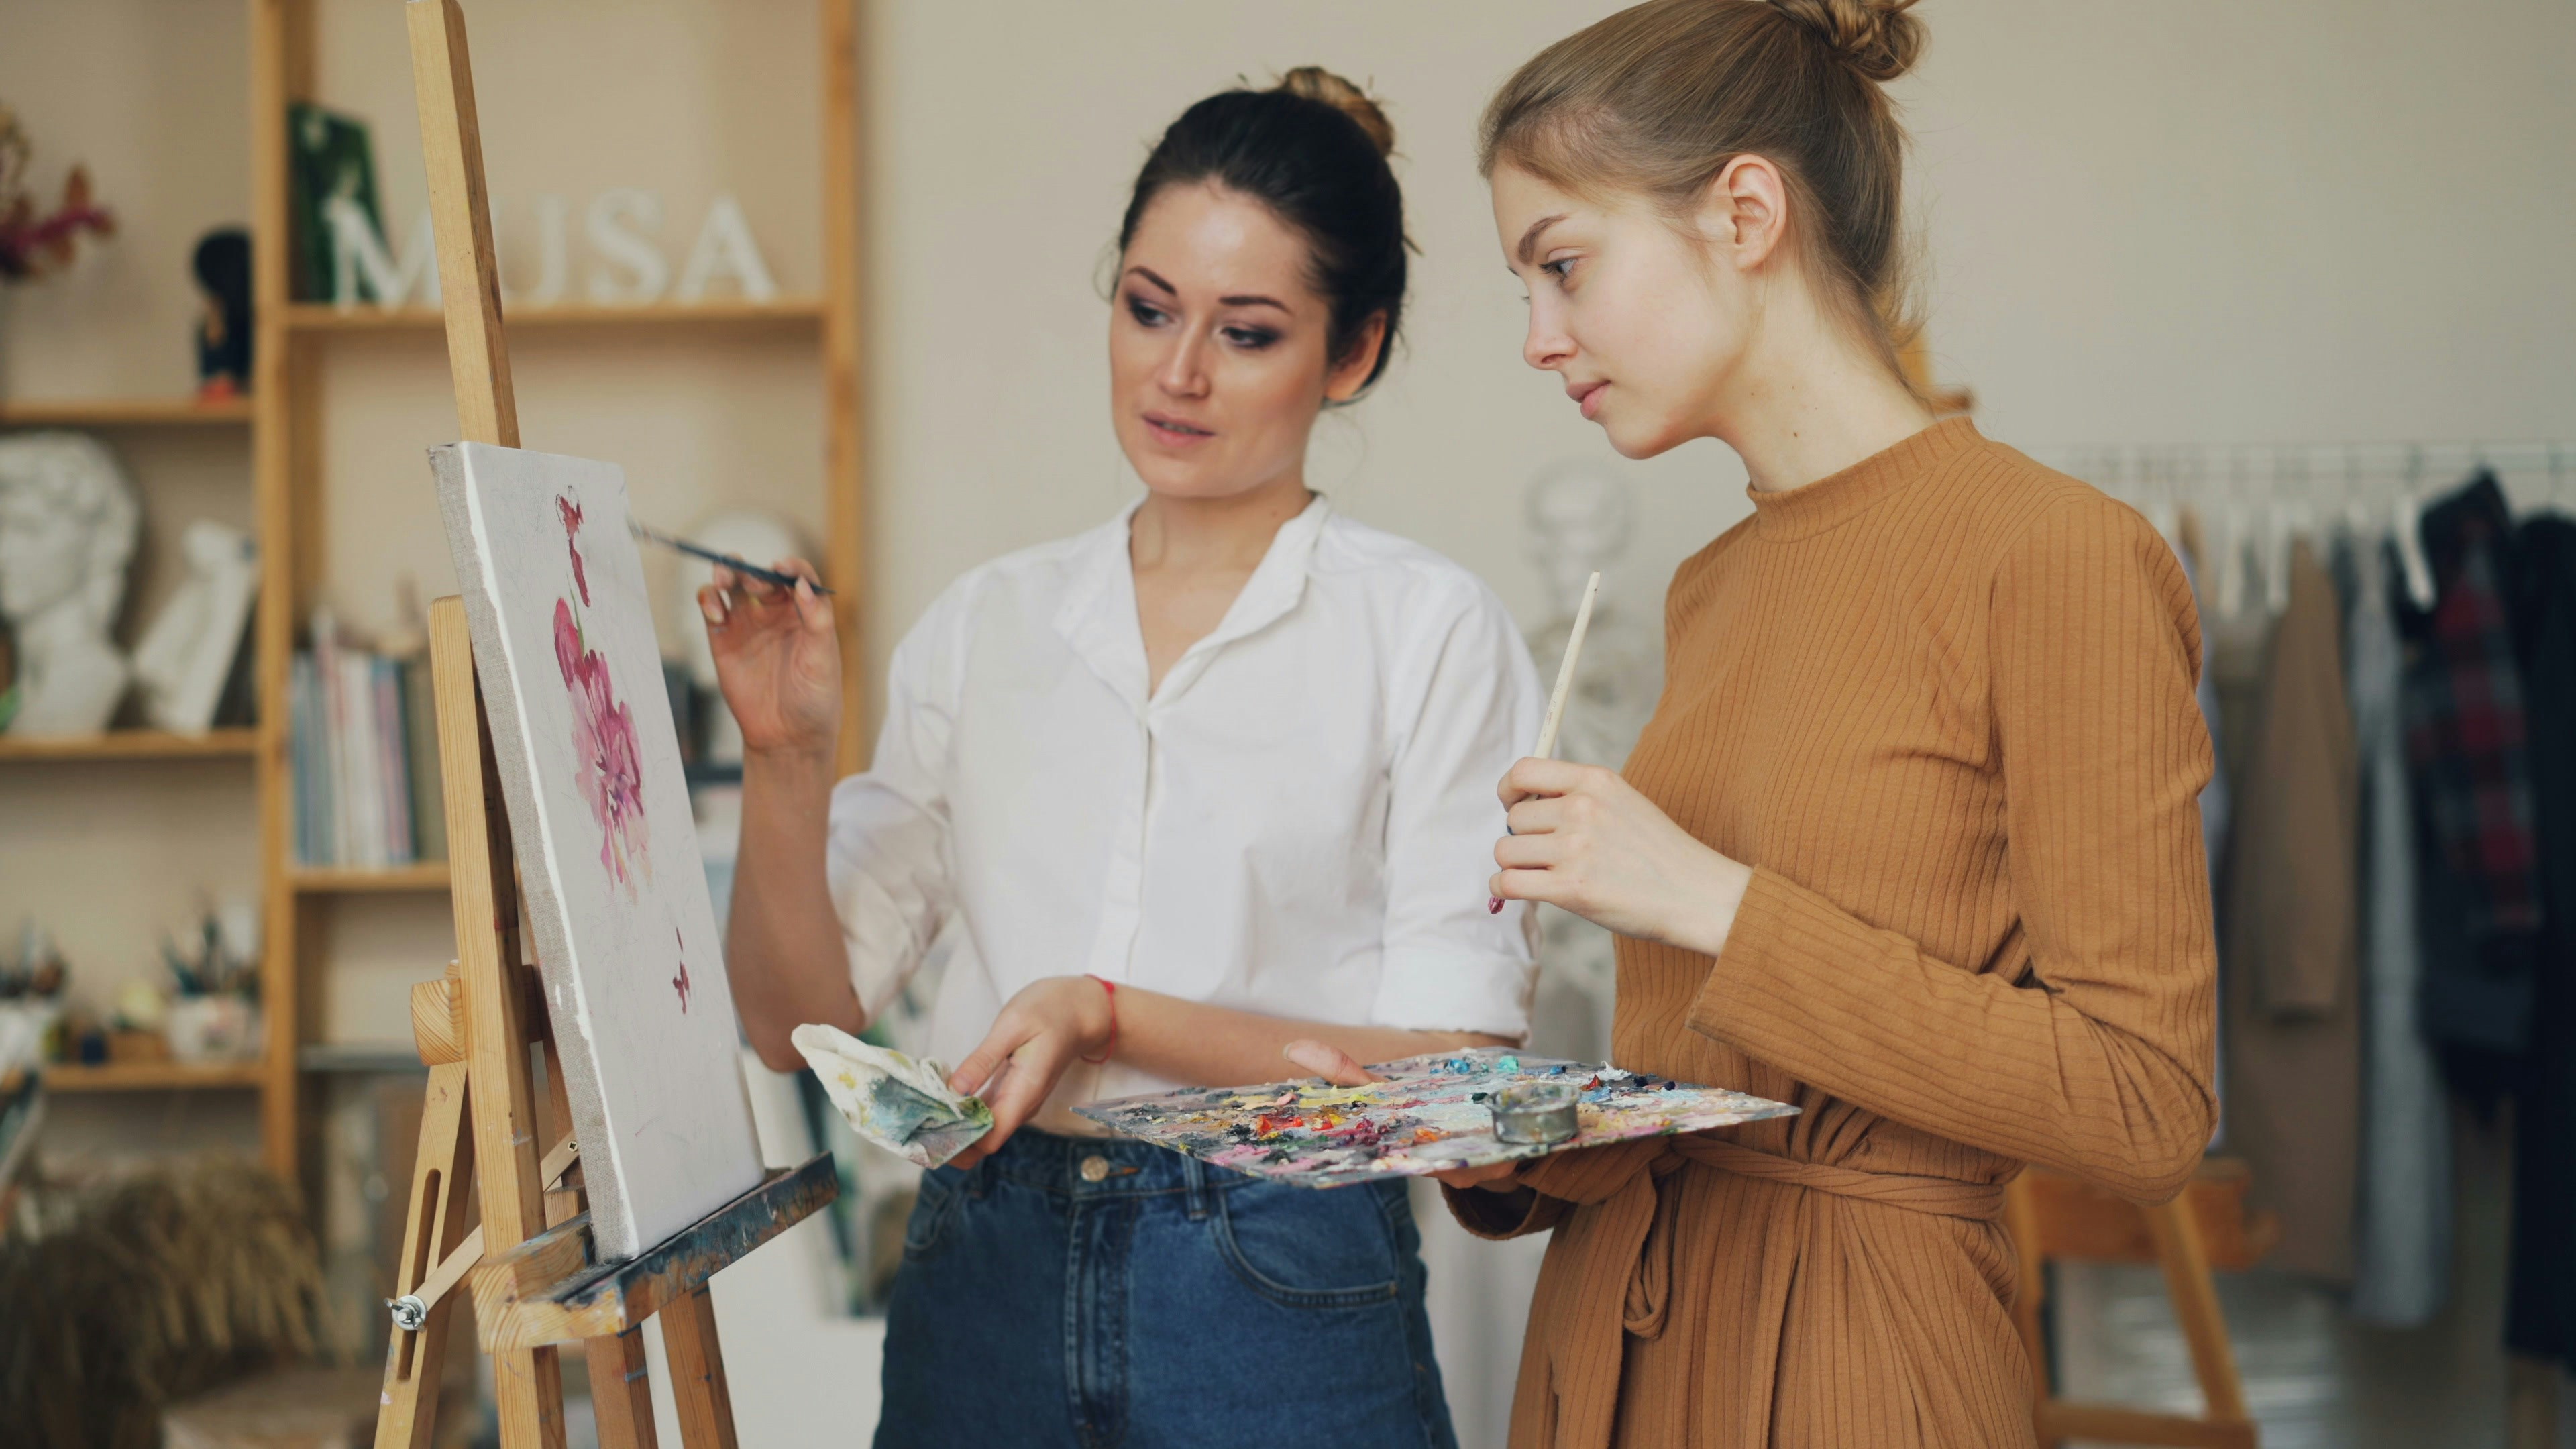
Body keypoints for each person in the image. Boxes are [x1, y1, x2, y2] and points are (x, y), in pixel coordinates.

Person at [1413, 3, 2217, 1444]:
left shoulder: (2057, 555)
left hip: (1861, 1362)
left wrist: (1713, 900)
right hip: (1608, 1348)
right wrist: (1503, 1143)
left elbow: (2144, 1107)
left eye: (1564, 268)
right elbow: (1720, 1084)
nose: (1539, 340)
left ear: (1743, 211)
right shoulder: (1709, 586)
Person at [702, 69, 1538, 1449]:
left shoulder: (1428, 630)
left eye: (1248, 332)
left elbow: (1449, 1081)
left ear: (1355, 351)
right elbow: (789, 1012)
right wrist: (786, 763)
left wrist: (1113, 1012)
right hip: (985, 1277)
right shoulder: (989, 625)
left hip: (1280, 1281)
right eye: (1149, 308)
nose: (1179, 371)